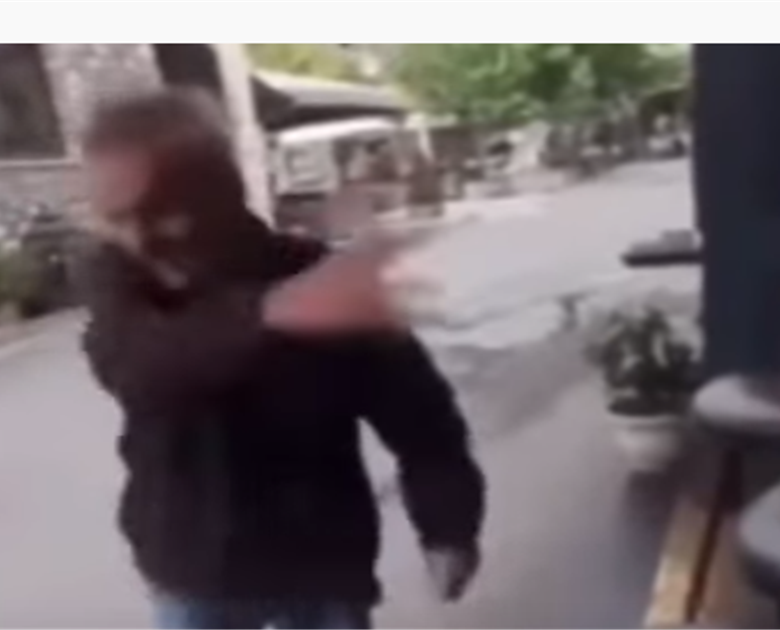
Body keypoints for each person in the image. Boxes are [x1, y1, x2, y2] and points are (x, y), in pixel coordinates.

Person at [75, 89, 485, 630]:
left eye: (158, 212)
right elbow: (137, 366)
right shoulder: (120, 279)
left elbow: (422, 419)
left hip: (321, 563)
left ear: (219, 191)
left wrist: (448, 526)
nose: (137, 239)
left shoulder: (320, 278)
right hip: (193, 567)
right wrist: (277, 313)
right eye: (115, 218)